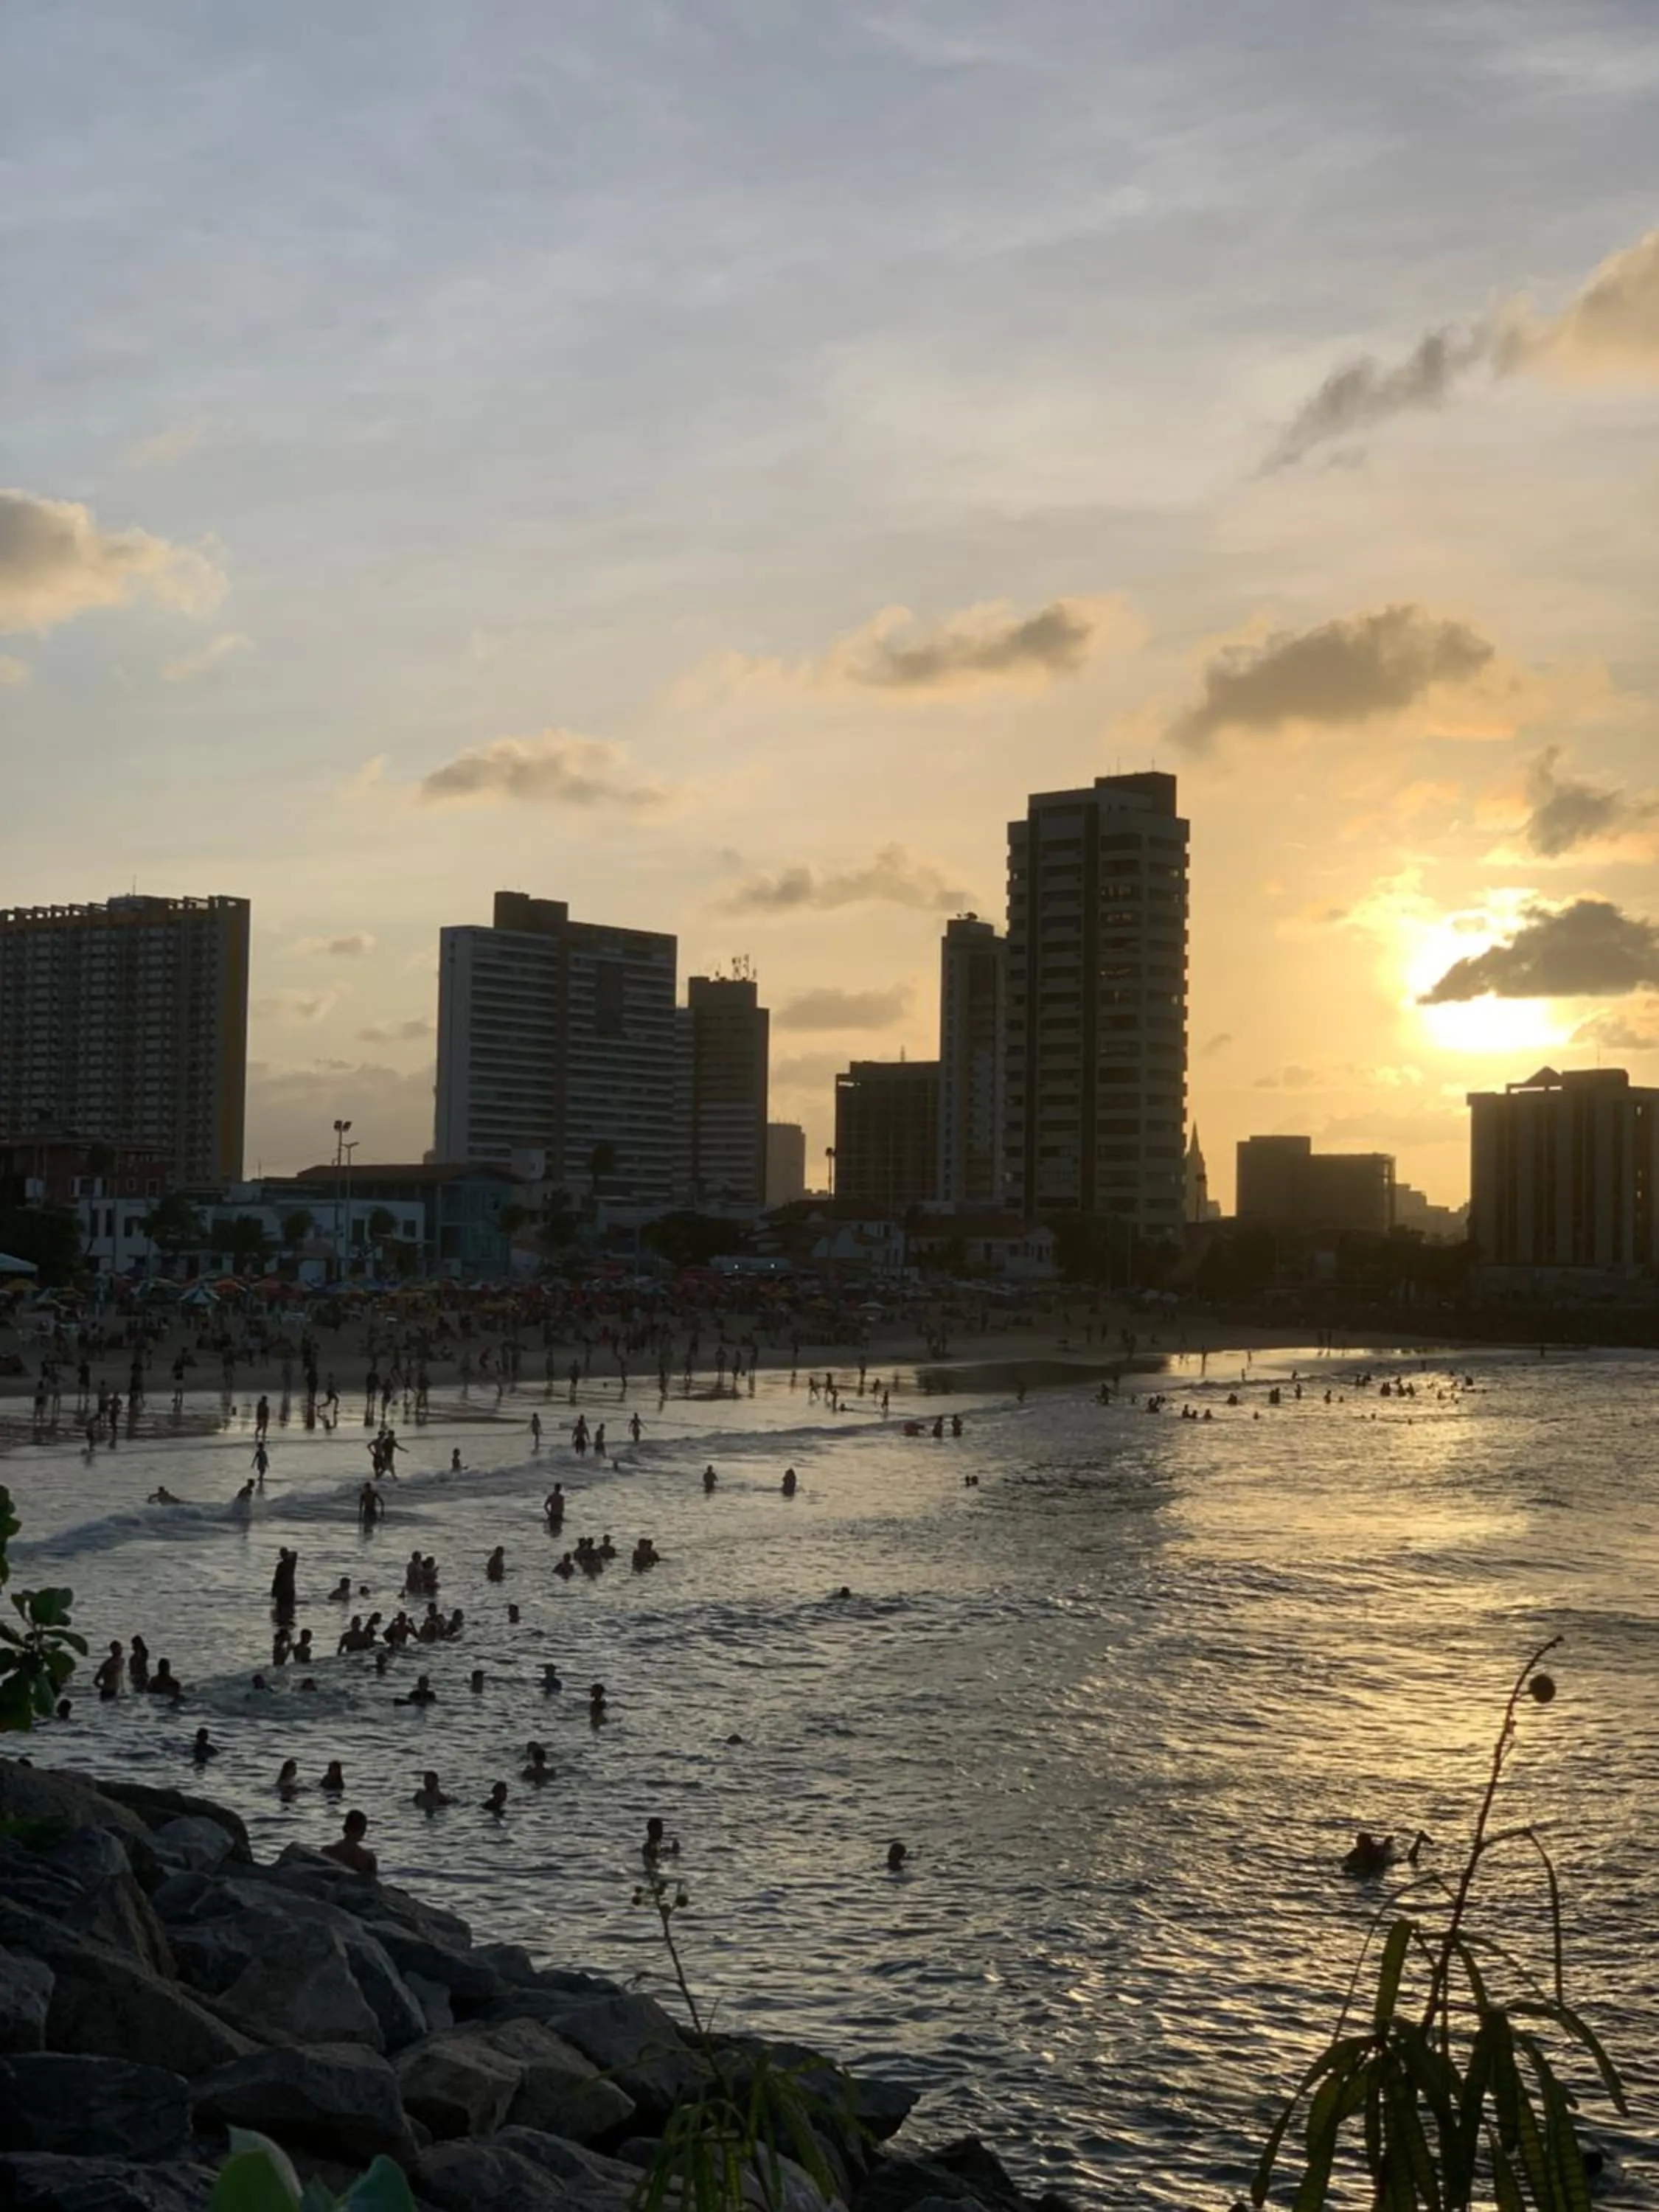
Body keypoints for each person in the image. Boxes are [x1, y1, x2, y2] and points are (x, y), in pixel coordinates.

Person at [322, 1809, 378, 1877]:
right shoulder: (368, 1859)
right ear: (363, 1832)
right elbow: (372, 1884)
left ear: (344, 1828)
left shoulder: (327, 1852)